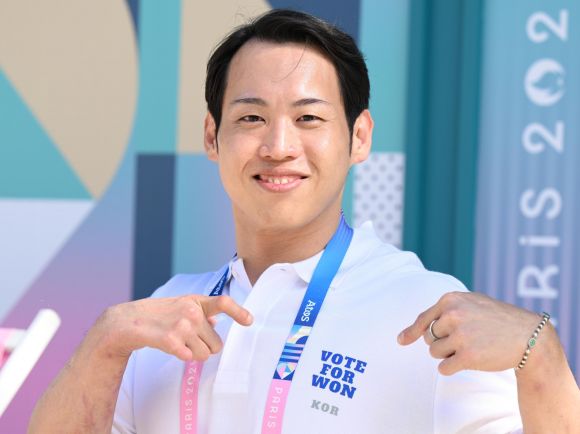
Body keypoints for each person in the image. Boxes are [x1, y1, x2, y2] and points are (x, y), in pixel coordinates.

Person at [29, 9, 579, 434]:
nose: (278, 146)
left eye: (308, 117)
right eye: (251, 117)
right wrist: (104, 342)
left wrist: (543, 358)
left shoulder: (429, 308)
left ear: (359, 137)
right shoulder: (163, 312)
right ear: (212, 136)